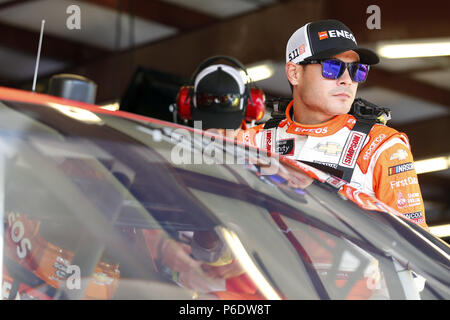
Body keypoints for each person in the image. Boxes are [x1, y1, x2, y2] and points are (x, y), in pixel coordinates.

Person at [236, 19, 428, 230]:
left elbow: (417, 248)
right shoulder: (250, 141)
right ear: (294, 73)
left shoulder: (382, 146)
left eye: (357, 69)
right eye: (332, 67)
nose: (347, 79)